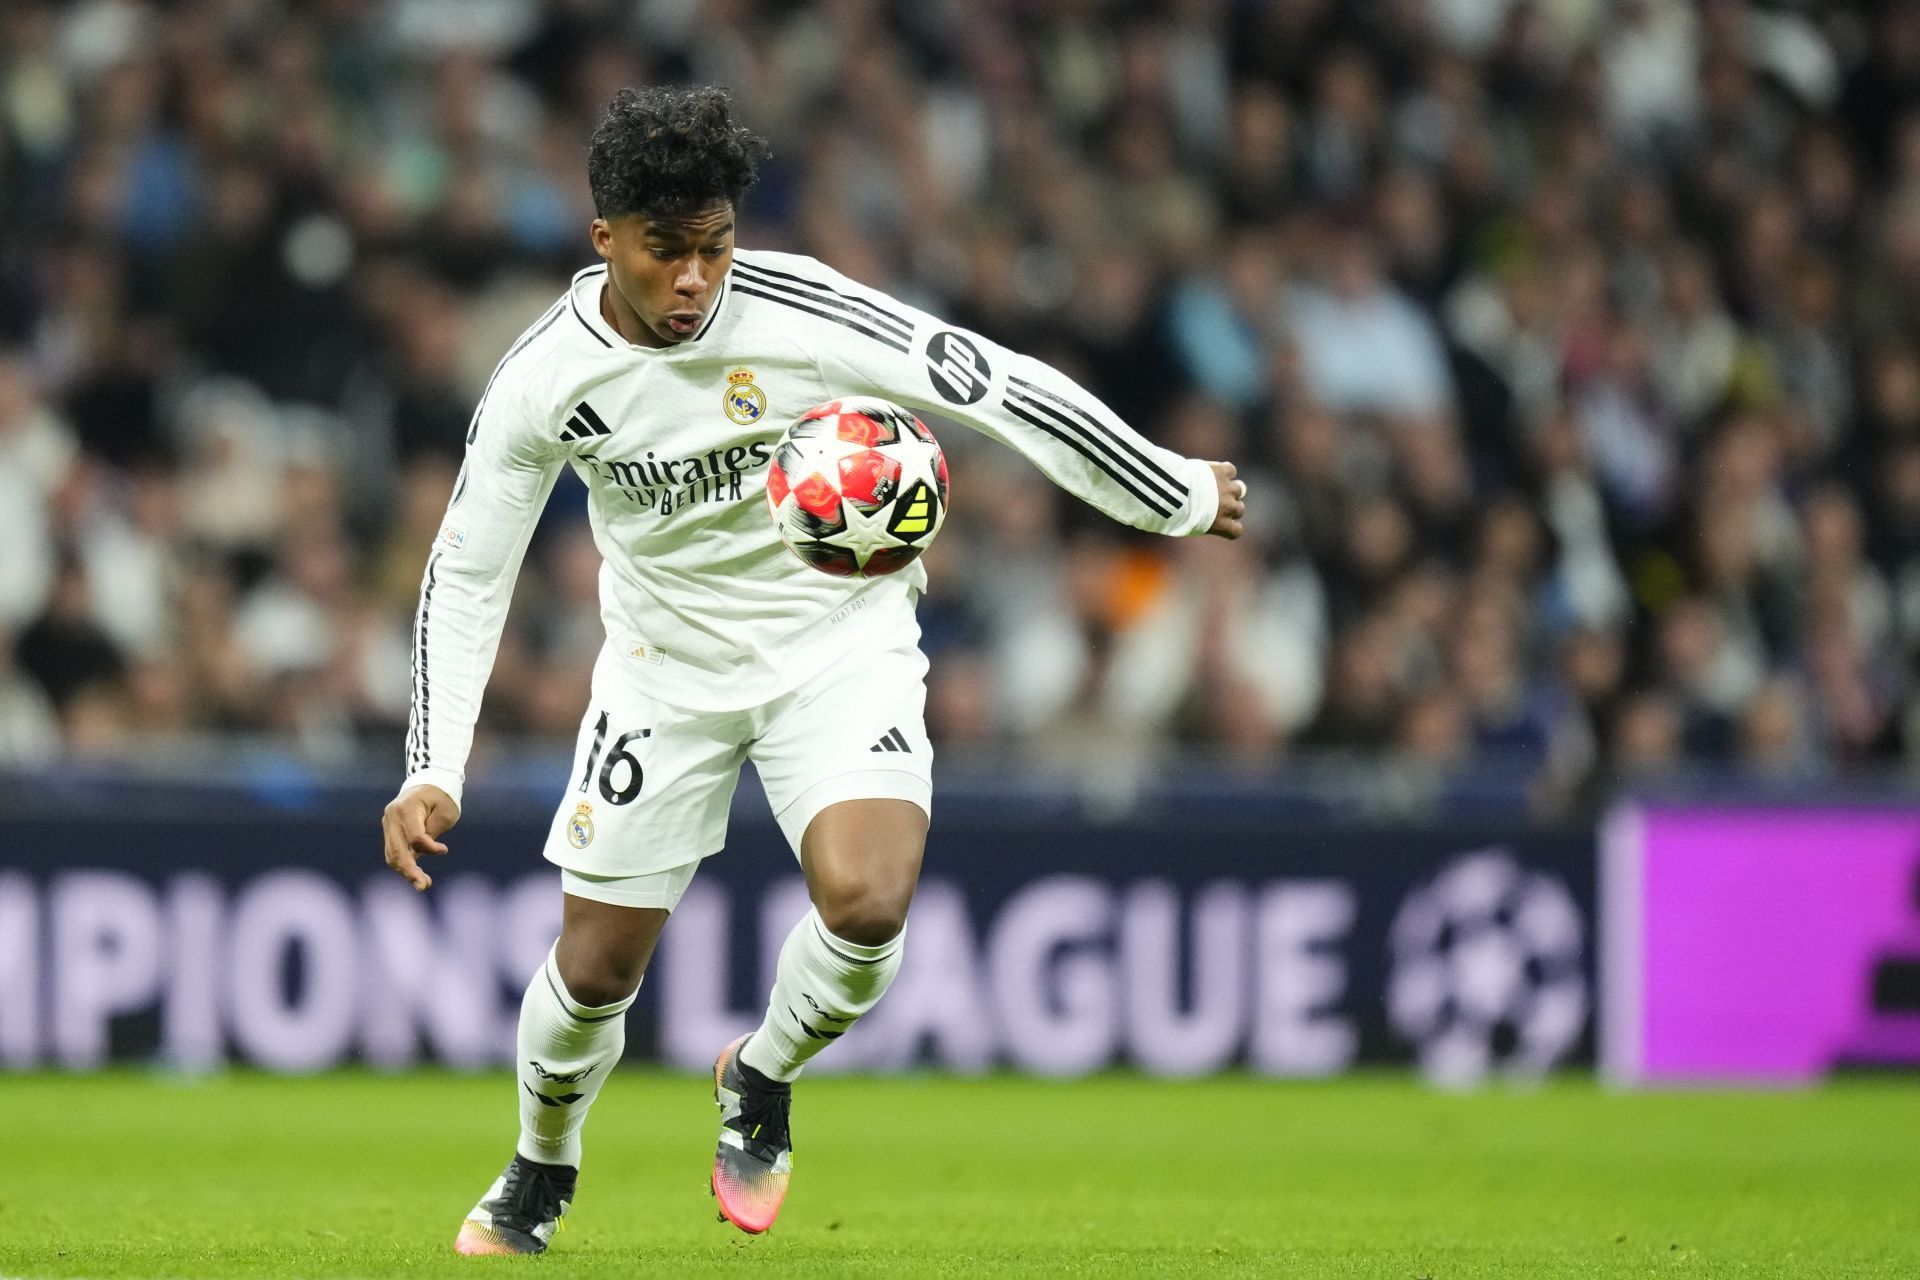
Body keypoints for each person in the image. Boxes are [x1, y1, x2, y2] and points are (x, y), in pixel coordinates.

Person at [378, 85, 1247, 1254]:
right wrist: (433, 763)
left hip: (839, 638)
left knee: (871, 896)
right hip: (662, 671)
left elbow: (994, 385)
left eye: (716, 247)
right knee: (593, 969)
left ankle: (763, 1070)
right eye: (666, 251)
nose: (696, 279)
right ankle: (540, 1162)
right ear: (605, 239)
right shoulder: (544, 377)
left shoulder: (803, 310)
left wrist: (1171, 488)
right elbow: (469, 568)